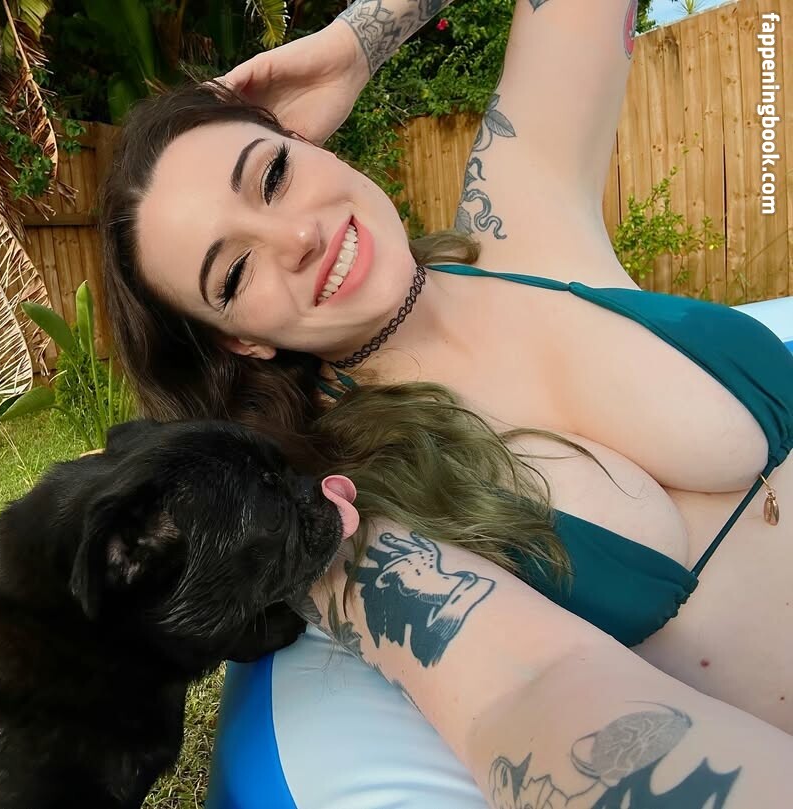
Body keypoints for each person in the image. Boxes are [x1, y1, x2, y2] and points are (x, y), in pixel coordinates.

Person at [96, 0, 793, 805]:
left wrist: (359, 40)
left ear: (302, 138)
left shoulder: (518, 208)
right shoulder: (345, 500)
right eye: (234, 273)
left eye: (273, 176)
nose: (297, 239)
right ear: (239, 342)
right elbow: (529, 693)